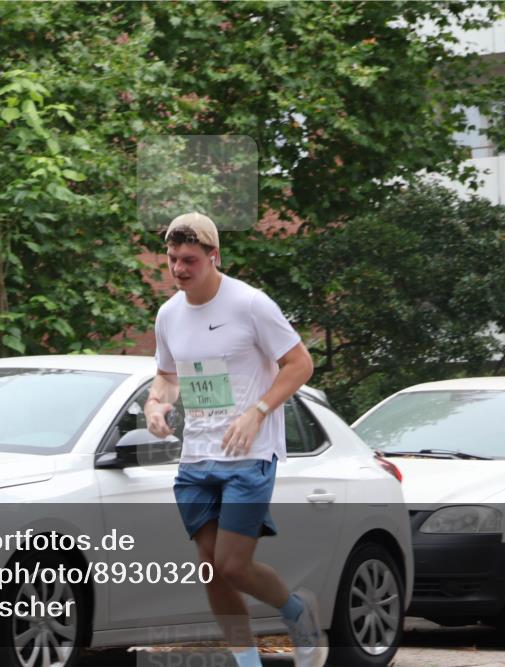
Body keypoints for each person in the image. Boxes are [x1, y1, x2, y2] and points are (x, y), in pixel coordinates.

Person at [143, 212, 326, 667]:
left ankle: (298, 612)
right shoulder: (169, 315)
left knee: (232, 564)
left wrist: (257, 412)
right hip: (196, 457)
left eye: (190, 260)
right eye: (172, 260)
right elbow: (167, 376)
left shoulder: (250, 305)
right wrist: (156, 405)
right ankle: (247, 663)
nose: (180, 270)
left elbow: (300, 364)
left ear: (213, 256)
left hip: (249, 454)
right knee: (211, 570)